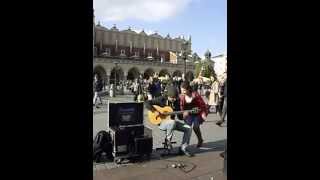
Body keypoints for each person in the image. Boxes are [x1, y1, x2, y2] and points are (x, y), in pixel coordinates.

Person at [144, 86, 194, 157]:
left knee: (189, 128)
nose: (174, 99)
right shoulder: (161, 99)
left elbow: (179, 117)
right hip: (162, 123)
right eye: (172, 97)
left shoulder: (177, 102)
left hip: (172, 123)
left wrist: (184, 116)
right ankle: (168, 141)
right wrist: (155, 110)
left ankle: (183, 148)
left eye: (175, 97)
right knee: (172, 122)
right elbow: (147, 103)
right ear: (168, 96)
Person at [180, 81, 208, 148]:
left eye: (184, 90)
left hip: (197, 114)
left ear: (188, 89)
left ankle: (200, 140)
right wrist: (183, 113)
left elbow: (202, 105)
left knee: (196, 127)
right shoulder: (182, 97)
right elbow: (182, 106)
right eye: (181, 90)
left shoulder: (195, 95)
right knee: (187, 128)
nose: (182, 92)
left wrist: (203, 113)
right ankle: (184, 145)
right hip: (188, 114)